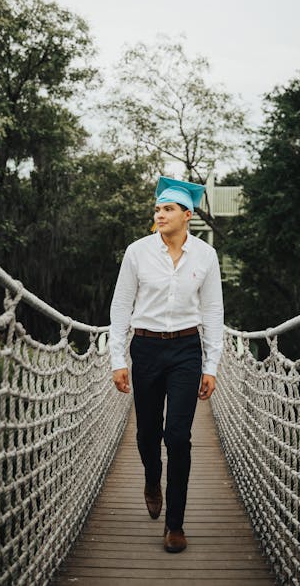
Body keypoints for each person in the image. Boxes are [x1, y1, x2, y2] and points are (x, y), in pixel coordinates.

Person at [108, 175, 224, 553]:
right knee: (147, 435)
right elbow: (122, 305)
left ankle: (175, 524)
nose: (159, 214)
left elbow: (212, 311)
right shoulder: (137, 252)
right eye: (157, 208)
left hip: (187, 350)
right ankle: (151, 478)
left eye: (167, 209)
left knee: (178, 436)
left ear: (187, 215)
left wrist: (212, 365)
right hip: (145, 348)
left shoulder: (206, 256)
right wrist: (116, 358)